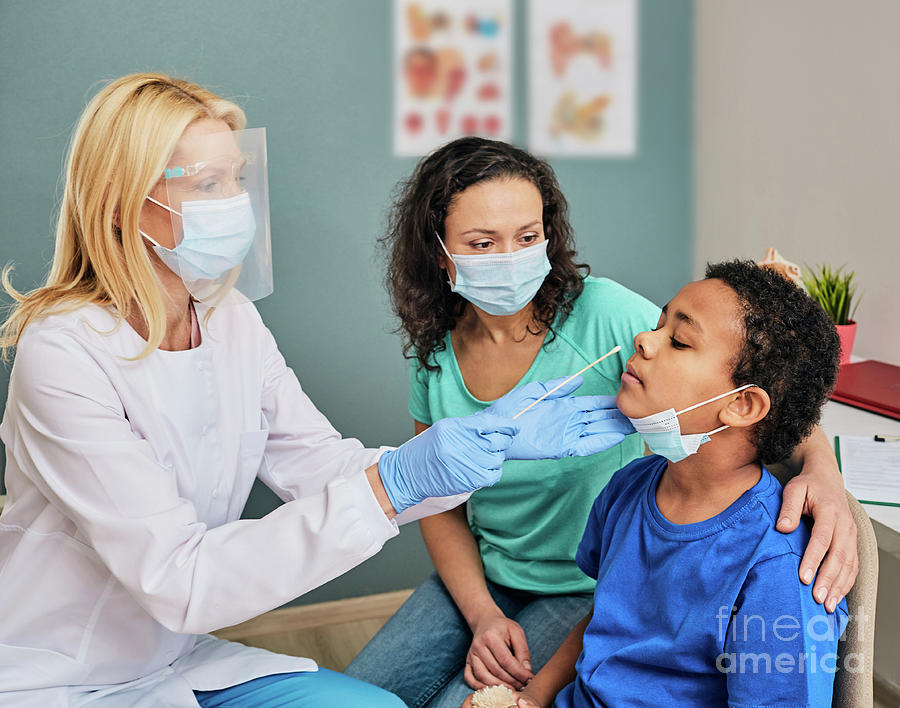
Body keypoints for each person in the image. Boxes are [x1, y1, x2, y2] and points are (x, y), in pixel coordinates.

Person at [0, 74, 629, 707]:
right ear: (121, 201)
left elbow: (318, 464)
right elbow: (179, 578)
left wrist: (468, 451)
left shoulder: (228, 320)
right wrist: (402, 480)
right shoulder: (64, 354)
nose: (236, 203)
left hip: (176, 658)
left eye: (238, 179)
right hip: (57, 673)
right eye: (208, 185)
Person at [344, 138, 858, 708]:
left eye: (529, 235)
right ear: (440, 253)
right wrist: (489, 623)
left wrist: (824, 472)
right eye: (482, 243)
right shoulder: (629, 491)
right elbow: (437, 502)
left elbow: (766, 394)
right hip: (496, 574)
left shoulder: (608, 316)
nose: (646, 339)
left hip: (577, 585)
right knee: (355, 696)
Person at [465, 260, 849, 708]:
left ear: (742, 405)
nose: (643, 340)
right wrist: (531, 698)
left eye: (679, 341)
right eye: (657, 324)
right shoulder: (628, 488)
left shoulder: (778, 569)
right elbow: (603, 623)